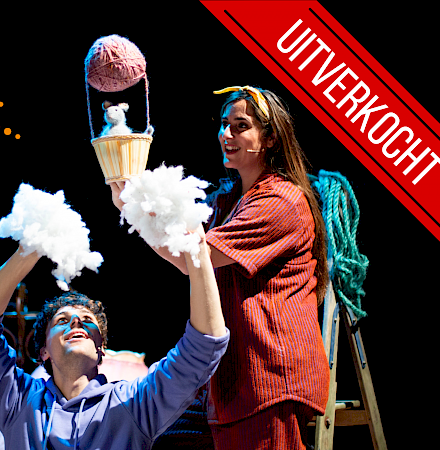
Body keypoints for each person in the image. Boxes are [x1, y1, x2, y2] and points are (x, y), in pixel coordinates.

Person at [110, 85, 330, 450]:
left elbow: (193, 258)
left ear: (271, 138)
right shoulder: (229, 199)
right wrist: (131, 203)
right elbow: (179, 240)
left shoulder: (281, 200)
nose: (226, 134)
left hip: (268, 378)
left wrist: (133, 210)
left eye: (240, 126)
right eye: (224, 124)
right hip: (232, 380)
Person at [0, 223, 229, 450]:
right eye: (62, 320)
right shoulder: (18, 399)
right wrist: (25, 254)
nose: (76, 321)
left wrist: (198, 251)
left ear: (101, 349)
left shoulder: (133, 402)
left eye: (87, 321)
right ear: (44, 351)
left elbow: (204, 345)